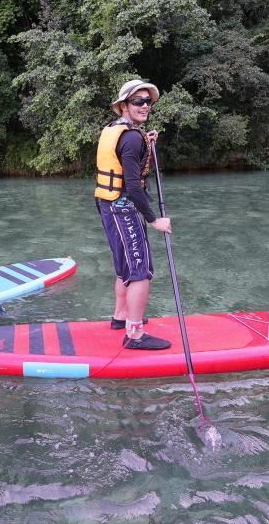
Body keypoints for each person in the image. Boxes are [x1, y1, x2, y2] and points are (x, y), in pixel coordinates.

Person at [95, 79, 173, 349]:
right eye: (138, 101)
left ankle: (120, 316)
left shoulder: (119, 130)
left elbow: (127, 157)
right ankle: (135, 334)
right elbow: (132, 185)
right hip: (124, 208)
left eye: (148, 102)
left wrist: (146, 142)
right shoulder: (130, 138)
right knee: (140, 271)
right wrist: (154, 220)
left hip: (108, 205)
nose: (144, 106)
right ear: (124, 106)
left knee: (124, 266)